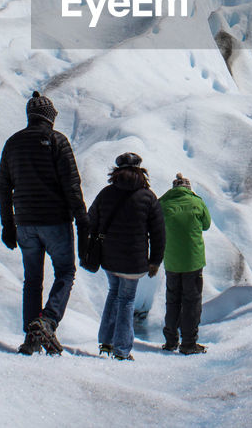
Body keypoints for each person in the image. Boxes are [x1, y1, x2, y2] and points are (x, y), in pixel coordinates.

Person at [0, 91, 88, 356]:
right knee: (65, 273)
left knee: (32, 280)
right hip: (55, 222)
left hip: (25, 224)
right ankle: (47, 321)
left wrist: (8, 225)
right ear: (49, 117)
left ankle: (31, 338)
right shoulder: (57, 141)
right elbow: (72, 185)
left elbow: (3, 188)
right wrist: (82, 219)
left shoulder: (12, 144)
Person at [87, 152, 165, 361]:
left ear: (117, 171)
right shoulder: (148, 197)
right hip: (134, 260)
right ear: (141, 172)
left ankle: (106, 342)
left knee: (113, 293)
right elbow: (158, 232)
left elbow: (90, 220)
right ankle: (122, 350)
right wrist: (155, 261)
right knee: (127, 300)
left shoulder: (106, 193)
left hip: (109, 258)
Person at [158, 173, 211, 355]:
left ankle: (170, 341)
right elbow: (206, 224)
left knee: (173, 300)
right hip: (193, 261)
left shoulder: (163, 203)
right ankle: (189, 343)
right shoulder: (197, 202)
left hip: (171, 261)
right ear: (188, 188)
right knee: (191, 301)